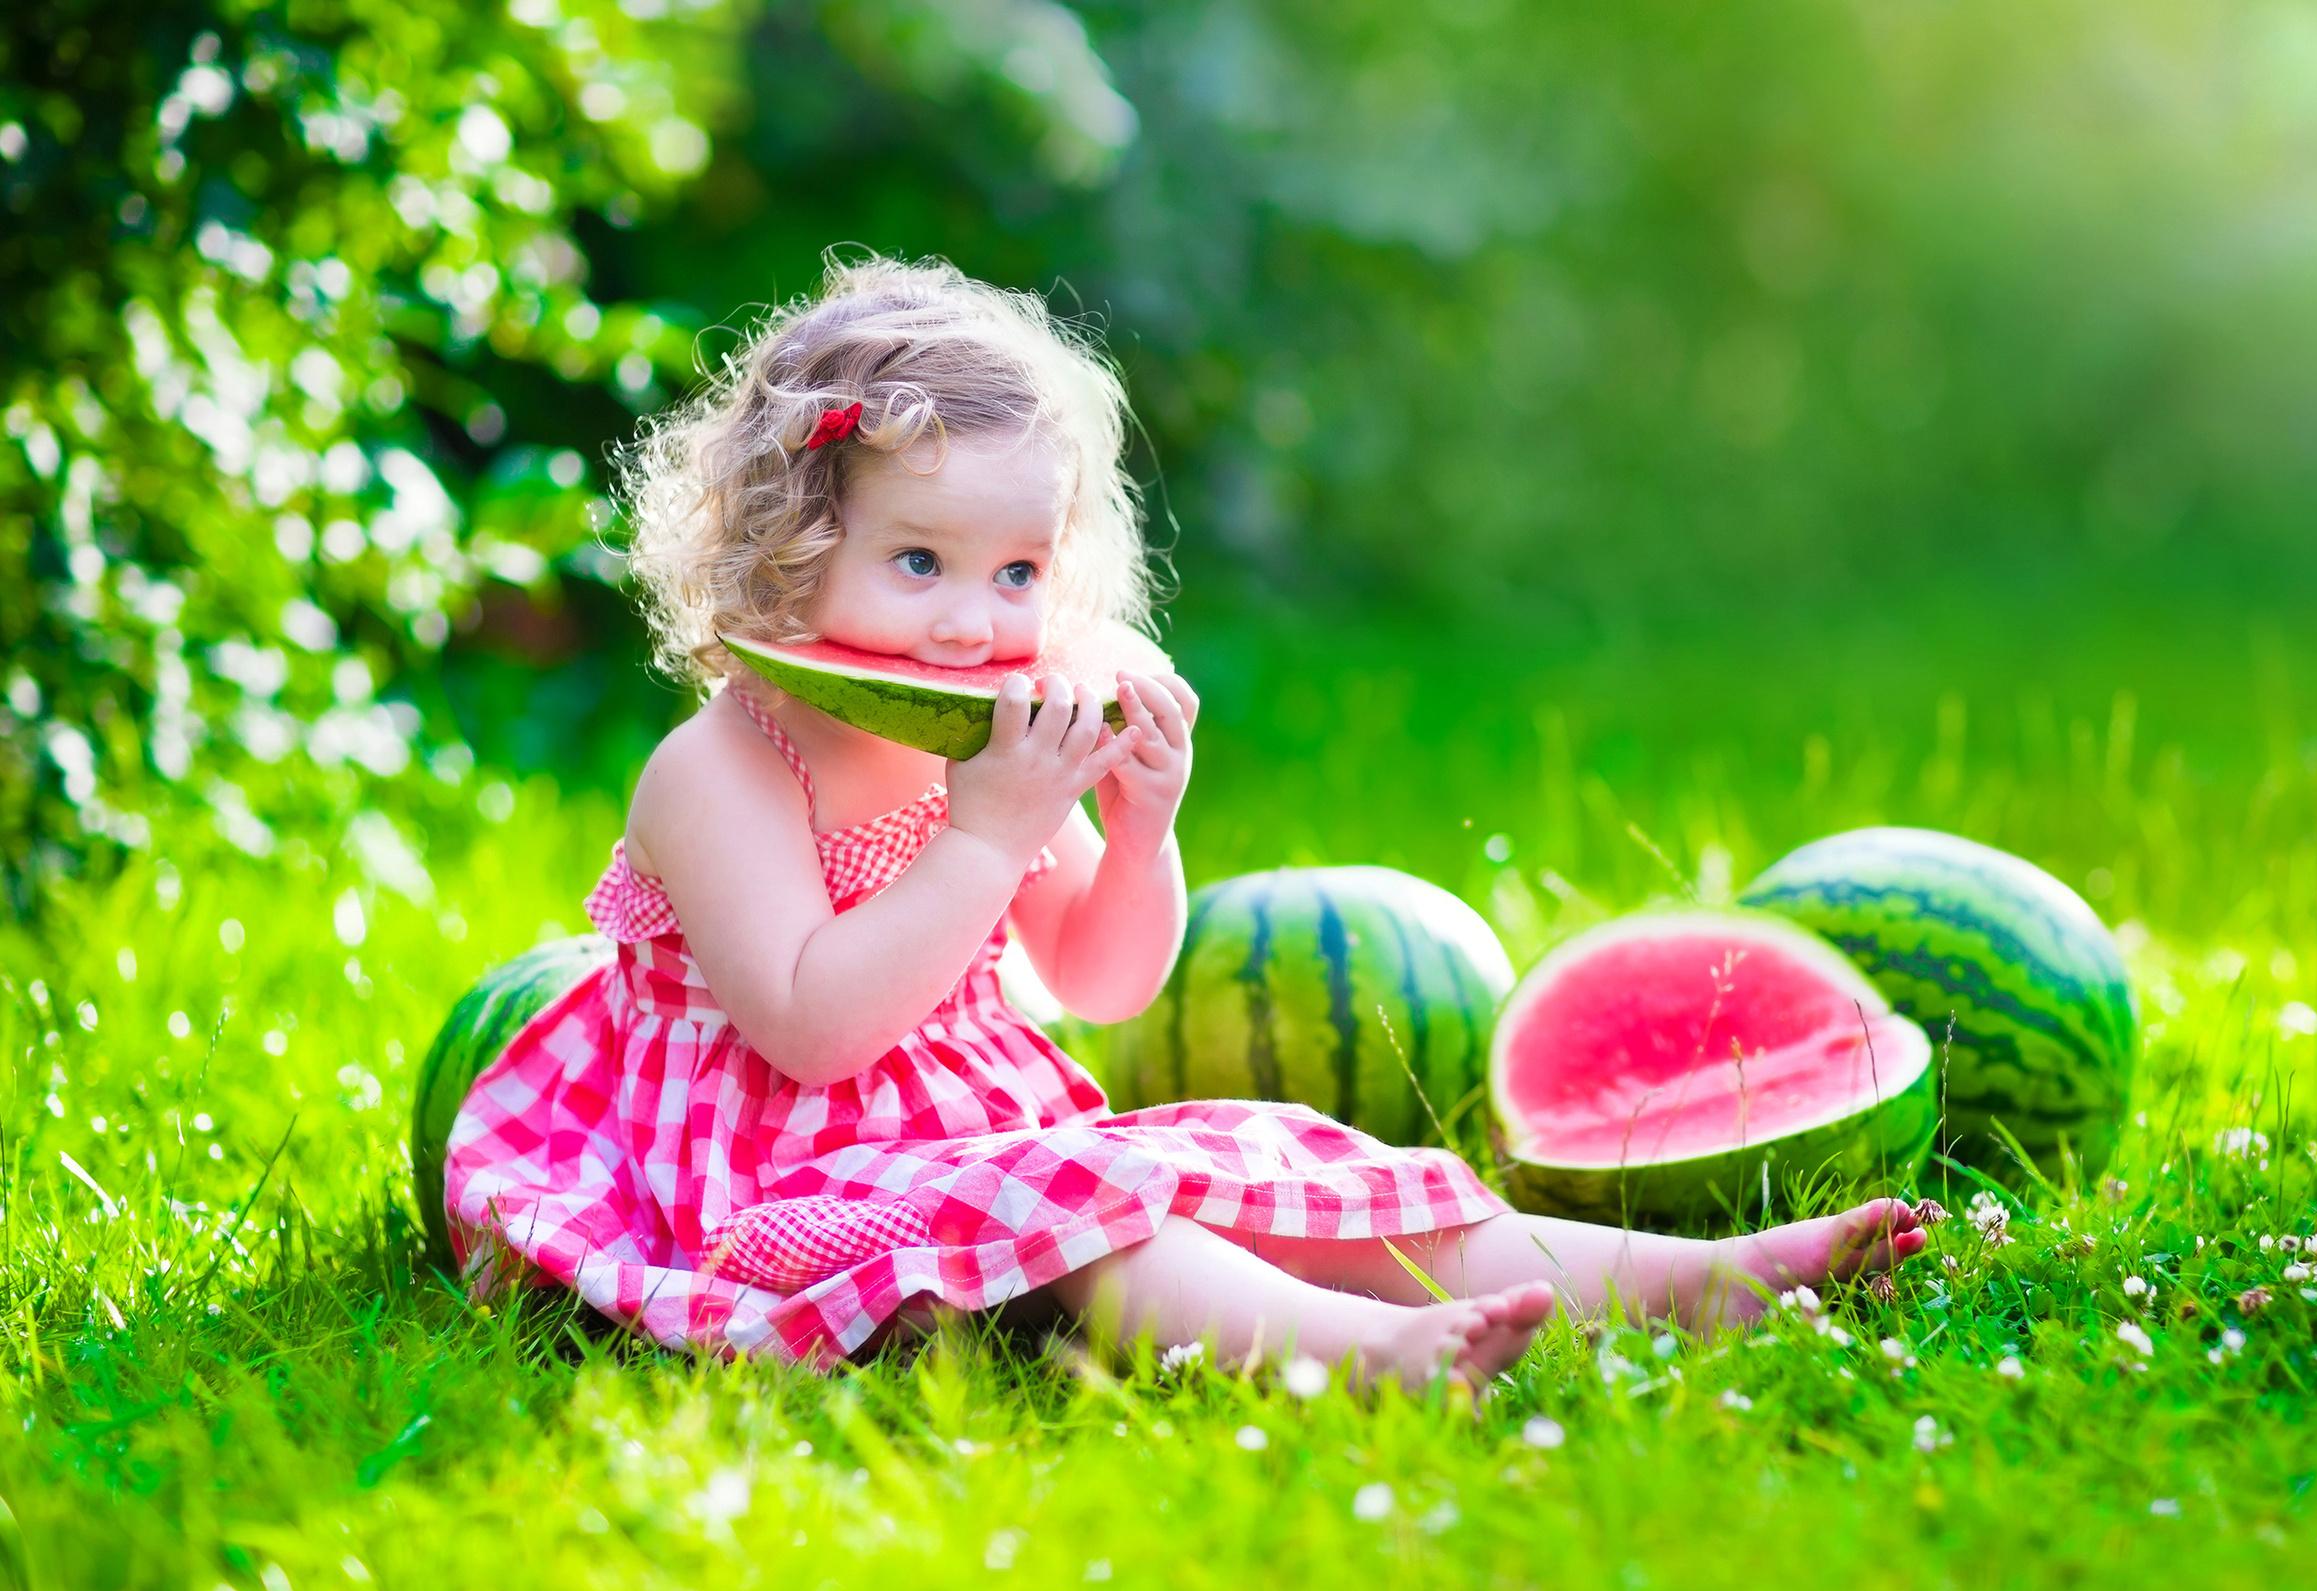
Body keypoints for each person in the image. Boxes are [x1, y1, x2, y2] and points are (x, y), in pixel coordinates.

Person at [441, 253, 1928, 1395]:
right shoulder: (723, 770)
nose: (974, 624)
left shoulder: (995, 739)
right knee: (1107, 1230)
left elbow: (1103, 982)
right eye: (917, 562)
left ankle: (1699, 1277)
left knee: (1280, 1157)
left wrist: (1138, 828)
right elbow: (812, 1031)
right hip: (764, 1198)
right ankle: (1365, 1361)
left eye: (1018, 572)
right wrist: (979, 838)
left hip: (988, 1149)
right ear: (791, 546)